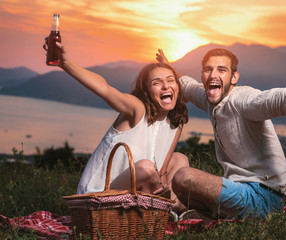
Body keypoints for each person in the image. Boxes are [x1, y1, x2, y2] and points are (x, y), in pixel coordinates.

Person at [156, 48, 286, 219]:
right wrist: (168, 68)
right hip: (237, 189)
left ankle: (201, 213)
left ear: (234, 77)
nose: (213, 74)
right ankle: (204, 214)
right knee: (174, 186)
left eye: (221, 70)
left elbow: (274, 99)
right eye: (208, 70)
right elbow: (186, 85)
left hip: (264, 195)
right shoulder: (208, 97)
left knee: (182, 177)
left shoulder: (243, 100)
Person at [43, 40, 189, 213]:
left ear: (178, 87)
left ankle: (167, 210)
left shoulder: (175, 123)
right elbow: (105, 89)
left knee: (180, 159)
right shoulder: (137, 109)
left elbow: (162, 172)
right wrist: (65, 63)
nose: (166, 85)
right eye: (157, 82)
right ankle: (171, 211)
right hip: (99, 197)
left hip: (136, 192)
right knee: (145, 168)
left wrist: (166, 190)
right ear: (147, 91)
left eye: (170, 80)